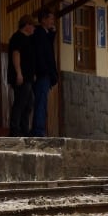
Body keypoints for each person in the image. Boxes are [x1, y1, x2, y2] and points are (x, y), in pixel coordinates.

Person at [6, 15, 38, 137]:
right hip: (21, 77)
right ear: (27, 25)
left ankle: (24, 129)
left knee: (29, 103)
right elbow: (16, 55)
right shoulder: (17, 38)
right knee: (20, 102)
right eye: (33, 26)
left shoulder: (28, 39)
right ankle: (15, 130)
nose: (34, 28)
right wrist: (19, 73)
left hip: (28, 77)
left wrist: (33, 73)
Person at [30, 8, 60, 137]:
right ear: (43, 20)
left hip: (44, 73)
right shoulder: (39, 34)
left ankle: (39, 129)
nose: (52, 21)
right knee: (40, 102)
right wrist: (45, 71)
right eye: (50, 19)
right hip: (42, 74)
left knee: (42, 102)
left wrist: (52, 34)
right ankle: (38, 130)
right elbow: (41, 55)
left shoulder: (44, 34)